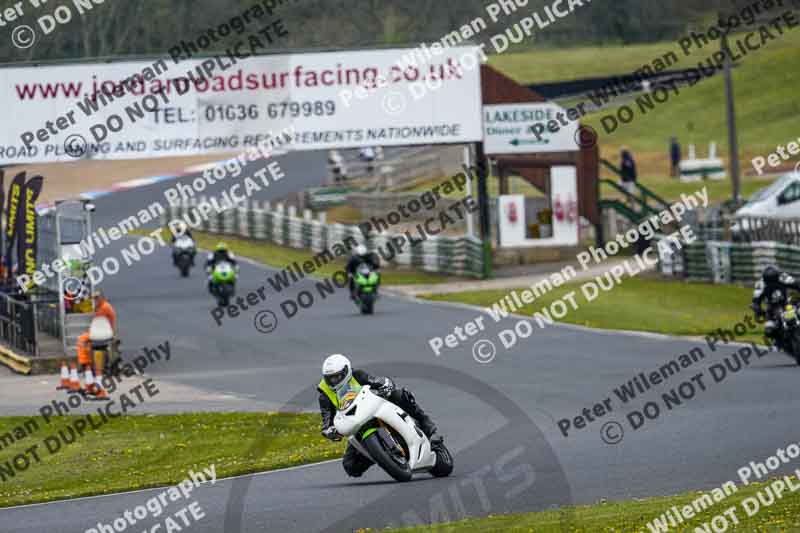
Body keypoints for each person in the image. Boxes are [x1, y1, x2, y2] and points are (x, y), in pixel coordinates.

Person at [317, 353, 438, 478]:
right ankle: (380, 454)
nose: (333, 380)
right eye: (330, 378)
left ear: (346, 371)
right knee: (350, 466)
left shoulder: (357, 375)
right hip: (355, 423)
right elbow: (327, 419)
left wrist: (385, 385)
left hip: (373, 408)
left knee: (398, 394)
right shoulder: (324, 395)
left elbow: (376, 381)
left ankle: (424, 421)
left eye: (337, 376)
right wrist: (328, 430)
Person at [751, 266, 800, 348]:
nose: (772, 284)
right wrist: (758, 310)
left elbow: (797, 284)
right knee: (769, 330)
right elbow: (756, 301)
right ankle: (778, 341)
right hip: (771, 309)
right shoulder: (760, 285)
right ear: (765, 280)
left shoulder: (783, 277)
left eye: (774, 280)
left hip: (787, 303)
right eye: (770, 281)